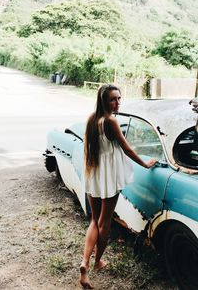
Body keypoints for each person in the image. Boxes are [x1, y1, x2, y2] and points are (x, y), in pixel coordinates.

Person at [79, 84, 157, 289]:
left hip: (94, 173)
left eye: (119, 98)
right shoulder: (111, 121)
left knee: (94, 220)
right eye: (113, 99)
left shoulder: (91, 119)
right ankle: (96, 262)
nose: (117, 103)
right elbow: (128, 150)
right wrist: (145, 163)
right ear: (104, 101)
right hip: (110, 176)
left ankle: (84, 263)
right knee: (105, 223)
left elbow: (89, 148)